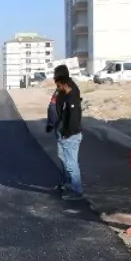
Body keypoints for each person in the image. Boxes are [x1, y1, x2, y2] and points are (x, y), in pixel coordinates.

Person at [53, 70, 85, 201]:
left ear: (65, 84)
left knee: (71, 164)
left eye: (59, 86)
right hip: (65, 135)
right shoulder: (66, 95)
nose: (58, 88)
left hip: (70, 136)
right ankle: (69, 183)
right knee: (63, 157)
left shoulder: (72, 99)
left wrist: (66, 134)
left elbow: (74, 120)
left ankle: (77, 191)